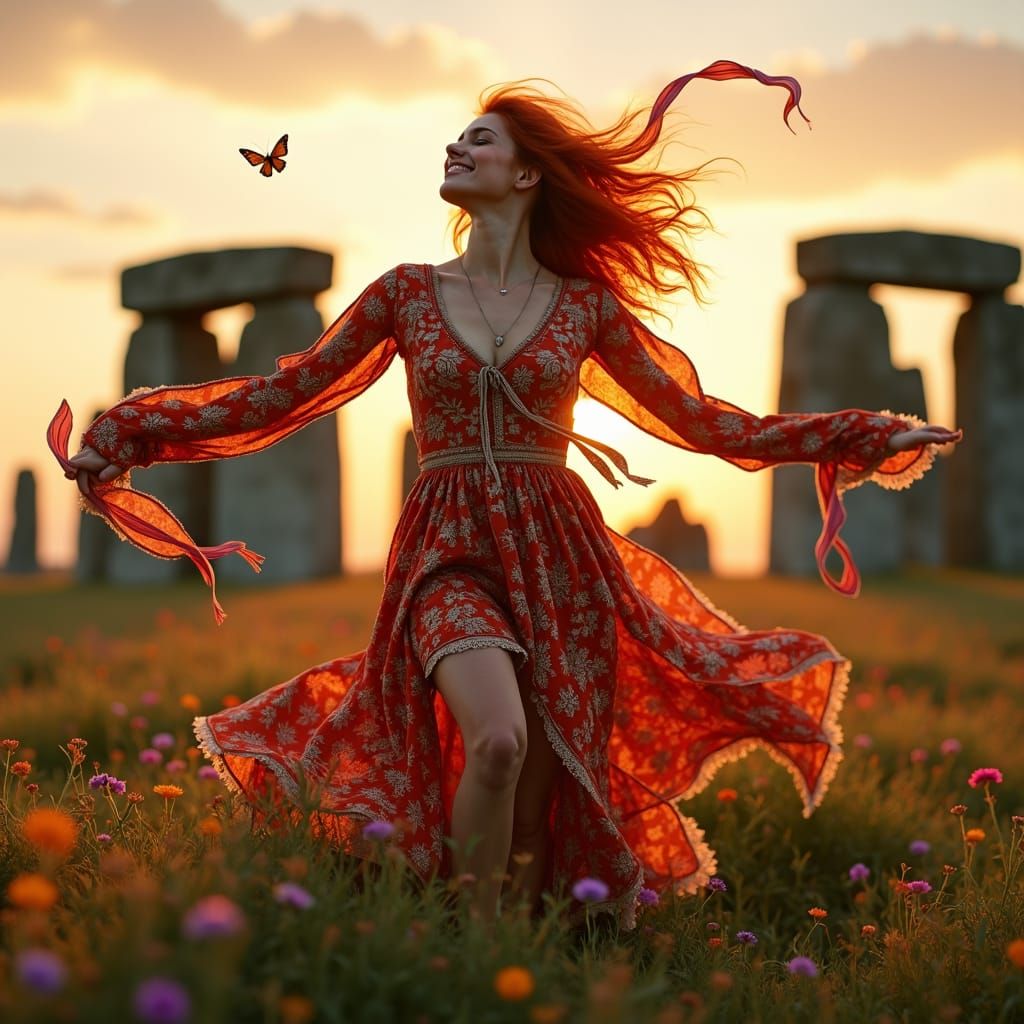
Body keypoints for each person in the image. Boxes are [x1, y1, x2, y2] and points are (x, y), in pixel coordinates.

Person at [53, 60, 962, 930]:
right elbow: (281, 394)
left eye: (478, 141)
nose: (456, 150)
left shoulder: (586, 307)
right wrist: (125, 433)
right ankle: (469, 942)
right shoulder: (405, 294)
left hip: (560, 556)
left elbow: (705, 422)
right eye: (456, 138)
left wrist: (865, 435)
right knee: (495, 739)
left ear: (528, 173)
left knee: (538, 786)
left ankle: (509, 950)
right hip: (445, 550)